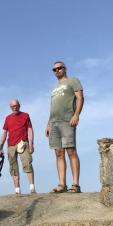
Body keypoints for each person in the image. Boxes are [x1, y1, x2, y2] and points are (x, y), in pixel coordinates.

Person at [45, 61, 84, 193]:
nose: (57, 71)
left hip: (67, 121)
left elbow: (80, 98)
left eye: (59, 68)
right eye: (54, 69)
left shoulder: (73, 81)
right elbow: (52, 107)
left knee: (71, 151)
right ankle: (62, 184)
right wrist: (48, 124)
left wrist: (76, 115)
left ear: (65, 68)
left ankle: (75, 184)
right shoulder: (54, 88)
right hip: (54, 123)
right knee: (58, 153)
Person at [0, 99, 36, 194]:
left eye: (16, 106)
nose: (14, 108)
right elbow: (4, 132)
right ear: (10, 107)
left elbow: (30, 130)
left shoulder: (25, 115)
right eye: (12, 106)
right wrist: (1, 146)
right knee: (13, 167)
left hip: (23, 143)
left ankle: (32, 188)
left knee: (27, 163)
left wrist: (31, 144)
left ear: (19, 105)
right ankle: (17, 190)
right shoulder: (8, 118)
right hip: (11, 145)